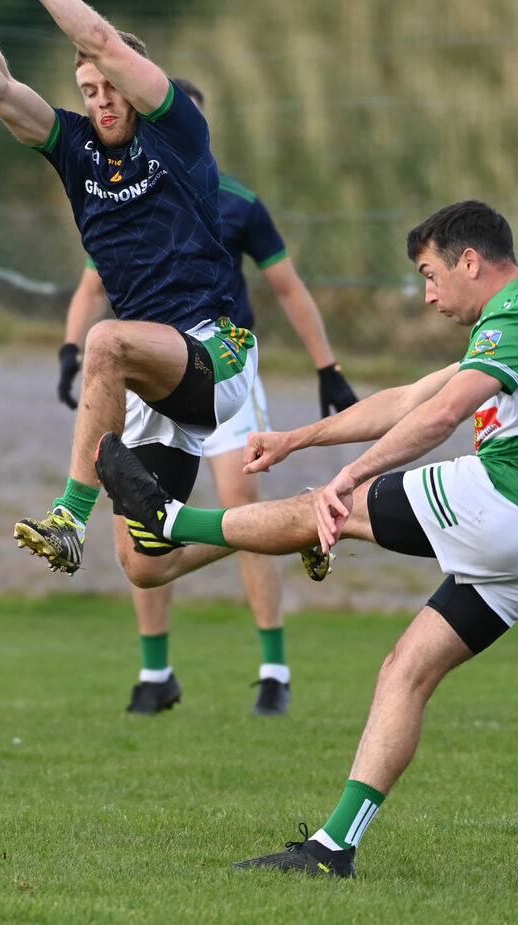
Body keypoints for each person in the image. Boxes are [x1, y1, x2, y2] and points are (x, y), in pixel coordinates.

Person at [95, 200, 518, 878]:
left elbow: (443, 416)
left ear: (470, 261)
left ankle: (169, 521)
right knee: (406, 668)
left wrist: (351, 476)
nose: (428, 295)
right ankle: (332, 848)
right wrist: (294, 438)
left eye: (431, 276)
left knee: (330, 508)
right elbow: (409, 398)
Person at [56, 77, 358, 717]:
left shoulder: (239, 202)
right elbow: (90, 283)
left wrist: (326, 366)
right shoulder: (124, 190)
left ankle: (274, 672)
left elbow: (288, 288)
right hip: (150, 368)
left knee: (239, 493)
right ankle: (156, 671)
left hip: (219, 366)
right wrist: (70, 349)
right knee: (141, 555)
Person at [0, 0, 258, 581]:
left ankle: (68, 518)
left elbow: (104, 40)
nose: (102, 100)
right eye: (89, 90)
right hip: (151, 374)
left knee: (103, 341)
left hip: (216, 353)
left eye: (111, 86)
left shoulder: (177, 131)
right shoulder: (74, 146)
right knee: (144, 564)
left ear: (135, 83)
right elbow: (2, 89)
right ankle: (302, 518)